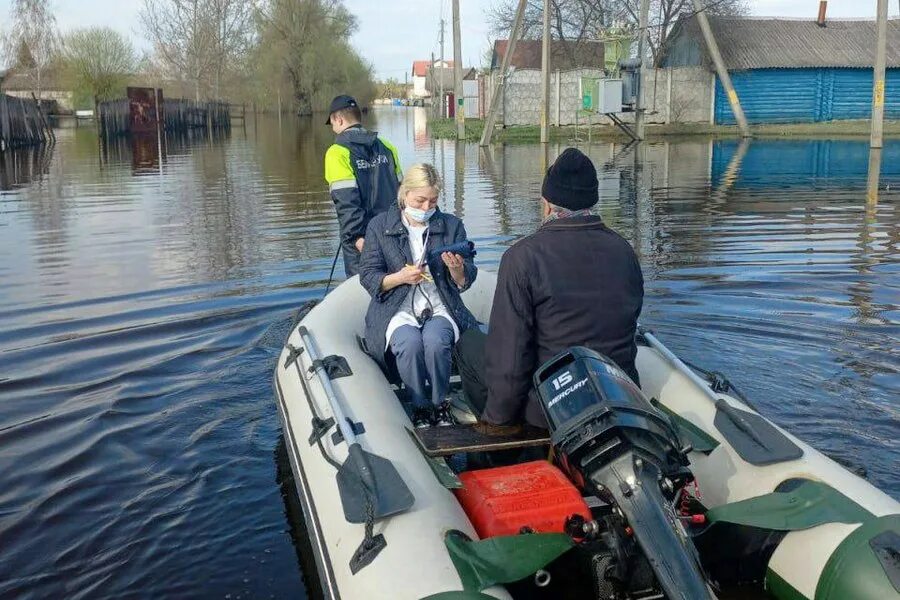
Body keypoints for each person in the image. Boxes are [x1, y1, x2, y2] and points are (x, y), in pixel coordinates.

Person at [455, 147, 644, 435]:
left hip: (549, 409)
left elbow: (510, 352)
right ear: (593, 200)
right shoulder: (624, 251)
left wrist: (498, 420)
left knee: (469, 343)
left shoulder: (523, 257)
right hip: (617, 395)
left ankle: (499, 441)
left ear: (546, 204)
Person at [359, 163, 478, 428]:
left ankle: (440, 404)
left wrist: (457, 270)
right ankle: (420, 406)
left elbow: (465, 280)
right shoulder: (380, 226)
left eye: (432, 201)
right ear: (405, 195)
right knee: (410, 345)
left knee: (436, 342)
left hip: (439, 305)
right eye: (419, 200)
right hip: (397, 308)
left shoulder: (451, 225)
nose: (426, 208)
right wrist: (399, 278)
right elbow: (368, 276)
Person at [324, 95, 403, 277]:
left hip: (362, 240)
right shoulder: (387, 146)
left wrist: (357, 239)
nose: (334, 129)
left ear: (339, 119)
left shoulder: (337, 153)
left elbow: (347, 204)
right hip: (395, 234)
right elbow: (403, 194)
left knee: (364, 292)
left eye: (333, 124)